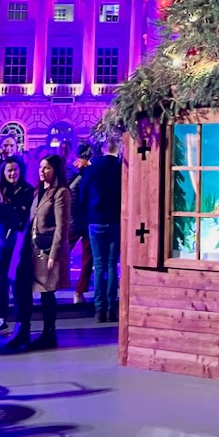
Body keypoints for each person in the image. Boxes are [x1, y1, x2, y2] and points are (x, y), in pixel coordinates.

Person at [4, 155, 71, 351]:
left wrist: (54, 254)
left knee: (47, 293)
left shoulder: (61, 193)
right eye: (41, 167)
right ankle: (27, 332)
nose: (42, 171)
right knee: (33, 289)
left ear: (55, 170)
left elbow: (62, 226)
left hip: (48, 249)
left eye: (47, 168)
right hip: (32, 248)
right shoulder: (39, 191)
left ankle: (49, 333)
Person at [0, 157, 34, 337]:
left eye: (15, 170)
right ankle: (2, 320)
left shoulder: (28, 191)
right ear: (3, 173)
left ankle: (21, 322)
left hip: (17, 247)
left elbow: (21, 219)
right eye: (9, 171)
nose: (12, 174)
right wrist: (12, 213)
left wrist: (8, 213)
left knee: (18, 285)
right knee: (0, 285)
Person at [79, 135, 122, 323]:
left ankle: (99, 309)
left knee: (99, 265)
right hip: (114, 219)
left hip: (95, 219)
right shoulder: (121, 167)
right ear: (118, 148)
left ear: (103, 148)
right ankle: (112, 307)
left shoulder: (92, 167)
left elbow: (83, 194)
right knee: (112, 265)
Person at [67, 143, 94, 305]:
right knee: (87, 258)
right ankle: (79, 292)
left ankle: (51, 286)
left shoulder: (69, 172)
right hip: (88, 218)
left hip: (71, 219)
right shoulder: (92, 172)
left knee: (61, 254)